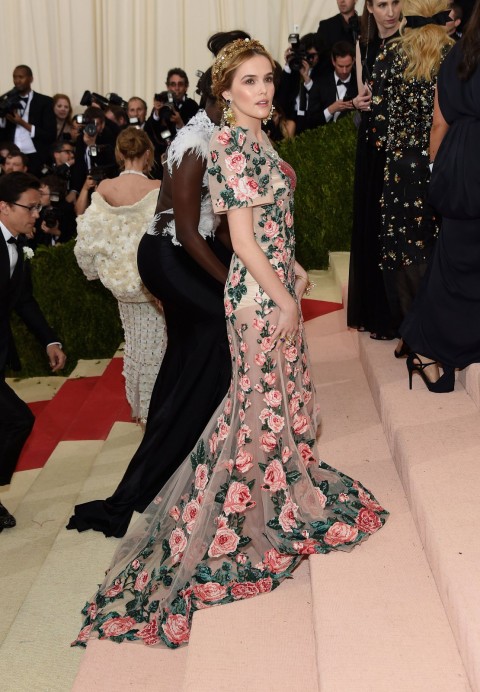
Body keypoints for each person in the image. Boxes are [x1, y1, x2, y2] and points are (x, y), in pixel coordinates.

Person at [72, 37, 387, 650]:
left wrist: (292, 268)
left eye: (267, 78)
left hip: (270, 286)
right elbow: (240, 239)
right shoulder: (229, 145)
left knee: (268, 404)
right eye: (248, 82)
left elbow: (271, 227)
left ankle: (275, 498)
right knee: (252, 409)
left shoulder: (258, 138)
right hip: (255, 298)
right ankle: (236, 517)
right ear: (224, 92)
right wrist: (285, 294)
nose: (263, 90)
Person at [67, 31, 242, 539]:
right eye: (245, 83)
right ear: (220, 94)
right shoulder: (193, 140)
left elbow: (223, 219)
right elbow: (185, 230)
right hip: (169, 256)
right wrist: (232, 282)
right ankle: (180, 467)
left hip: (192, 253)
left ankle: (181, 471)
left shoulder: (227, 134)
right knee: (213, 343)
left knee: (190, 360)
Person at [401, 0, 480, 392]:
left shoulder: (456, 56)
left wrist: (437, 170)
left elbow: (438, 121)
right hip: (469, 164)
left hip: (459, 161)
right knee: (459, 260)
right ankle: (428, 345)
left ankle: (435, 345)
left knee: (456, 258)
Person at [74, 127, 166, 420]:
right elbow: (168, 240)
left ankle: (142, 411)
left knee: (136, 347)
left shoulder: (104, 189)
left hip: (121, 287)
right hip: (154, 286)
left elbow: (87, 242)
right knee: (159, 348)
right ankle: (159, 412)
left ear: (118, 154)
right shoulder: (157, 188)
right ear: (148, 154)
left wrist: (96, 273)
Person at [379, 0, 453, 358]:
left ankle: (410, 330)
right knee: (438, 246)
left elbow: (380, 117)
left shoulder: (388, 55)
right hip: (441, 163)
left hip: (400, 166)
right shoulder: (454, 55)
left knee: (403, 248)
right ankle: (437, 330)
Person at [0, 172, 66, 530]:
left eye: (39, 208)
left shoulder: (16, 246)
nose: (36, 215)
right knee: (18, 419)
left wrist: (50, 340)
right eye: (30, 208)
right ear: (4, 207)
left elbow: (23, 301)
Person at [347, 0, 403, 340]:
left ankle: (399, 313)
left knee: (395, 228)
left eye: (395, 2)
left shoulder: (411, 42)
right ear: (369, 7)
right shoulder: (363, 43)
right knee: (371, 222)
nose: (390, 11)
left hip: (399, 147)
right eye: (382, 4)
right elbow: (361, 94)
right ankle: (376, 312)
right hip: (371, 143)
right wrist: (356, 102)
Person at [0, 65, 56, 177]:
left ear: (31, 79)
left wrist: (22, 123)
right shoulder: (6, 101)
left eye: (21, 77)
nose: (17, 81)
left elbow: (50, 135)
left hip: (36, 156)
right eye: (14, 77)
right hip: (11, 156)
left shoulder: (45, 102)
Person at [276, 33, 323, 135]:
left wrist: (307, 79)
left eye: (313, 55)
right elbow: (282, 95)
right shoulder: (293, 69)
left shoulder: (322, 72)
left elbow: (320, 99)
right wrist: (289, 64)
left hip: (310, 119)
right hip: (291, 117)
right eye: (307, 54)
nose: (310, 59)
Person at [313, 41, 358, 126]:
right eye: (340, 66)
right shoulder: (319, 84)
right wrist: (330, 109)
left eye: (348, 66)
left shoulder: (360, 84)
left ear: (353, 61)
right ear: (333, 61)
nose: (344, 71)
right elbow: (311, 121)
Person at [317, 0, 359, 71]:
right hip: (333, 79)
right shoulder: (326, 26)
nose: (342, 1)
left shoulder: (366, 25)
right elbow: (321, 60)